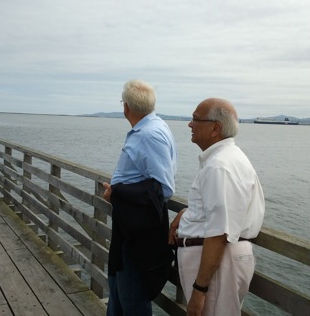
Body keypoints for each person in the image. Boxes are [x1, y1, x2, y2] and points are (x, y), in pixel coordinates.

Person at [168, 98, 265, 316]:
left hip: (219, 266)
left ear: (215, 128)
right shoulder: (226, 159)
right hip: (220, 263)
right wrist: (186, 214)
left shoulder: (220, 166)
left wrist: (199, 290)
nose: (189, 124)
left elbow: (220, 232)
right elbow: (221, 213)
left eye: (195, 119)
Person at [102, 79, 177, 316]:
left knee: (132, 299)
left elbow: (164, 188)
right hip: (129, 226)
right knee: (117, 290)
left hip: (139, 232)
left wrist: (117, 193)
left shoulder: (149, 135)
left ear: (126, 107)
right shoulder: (148, 128)